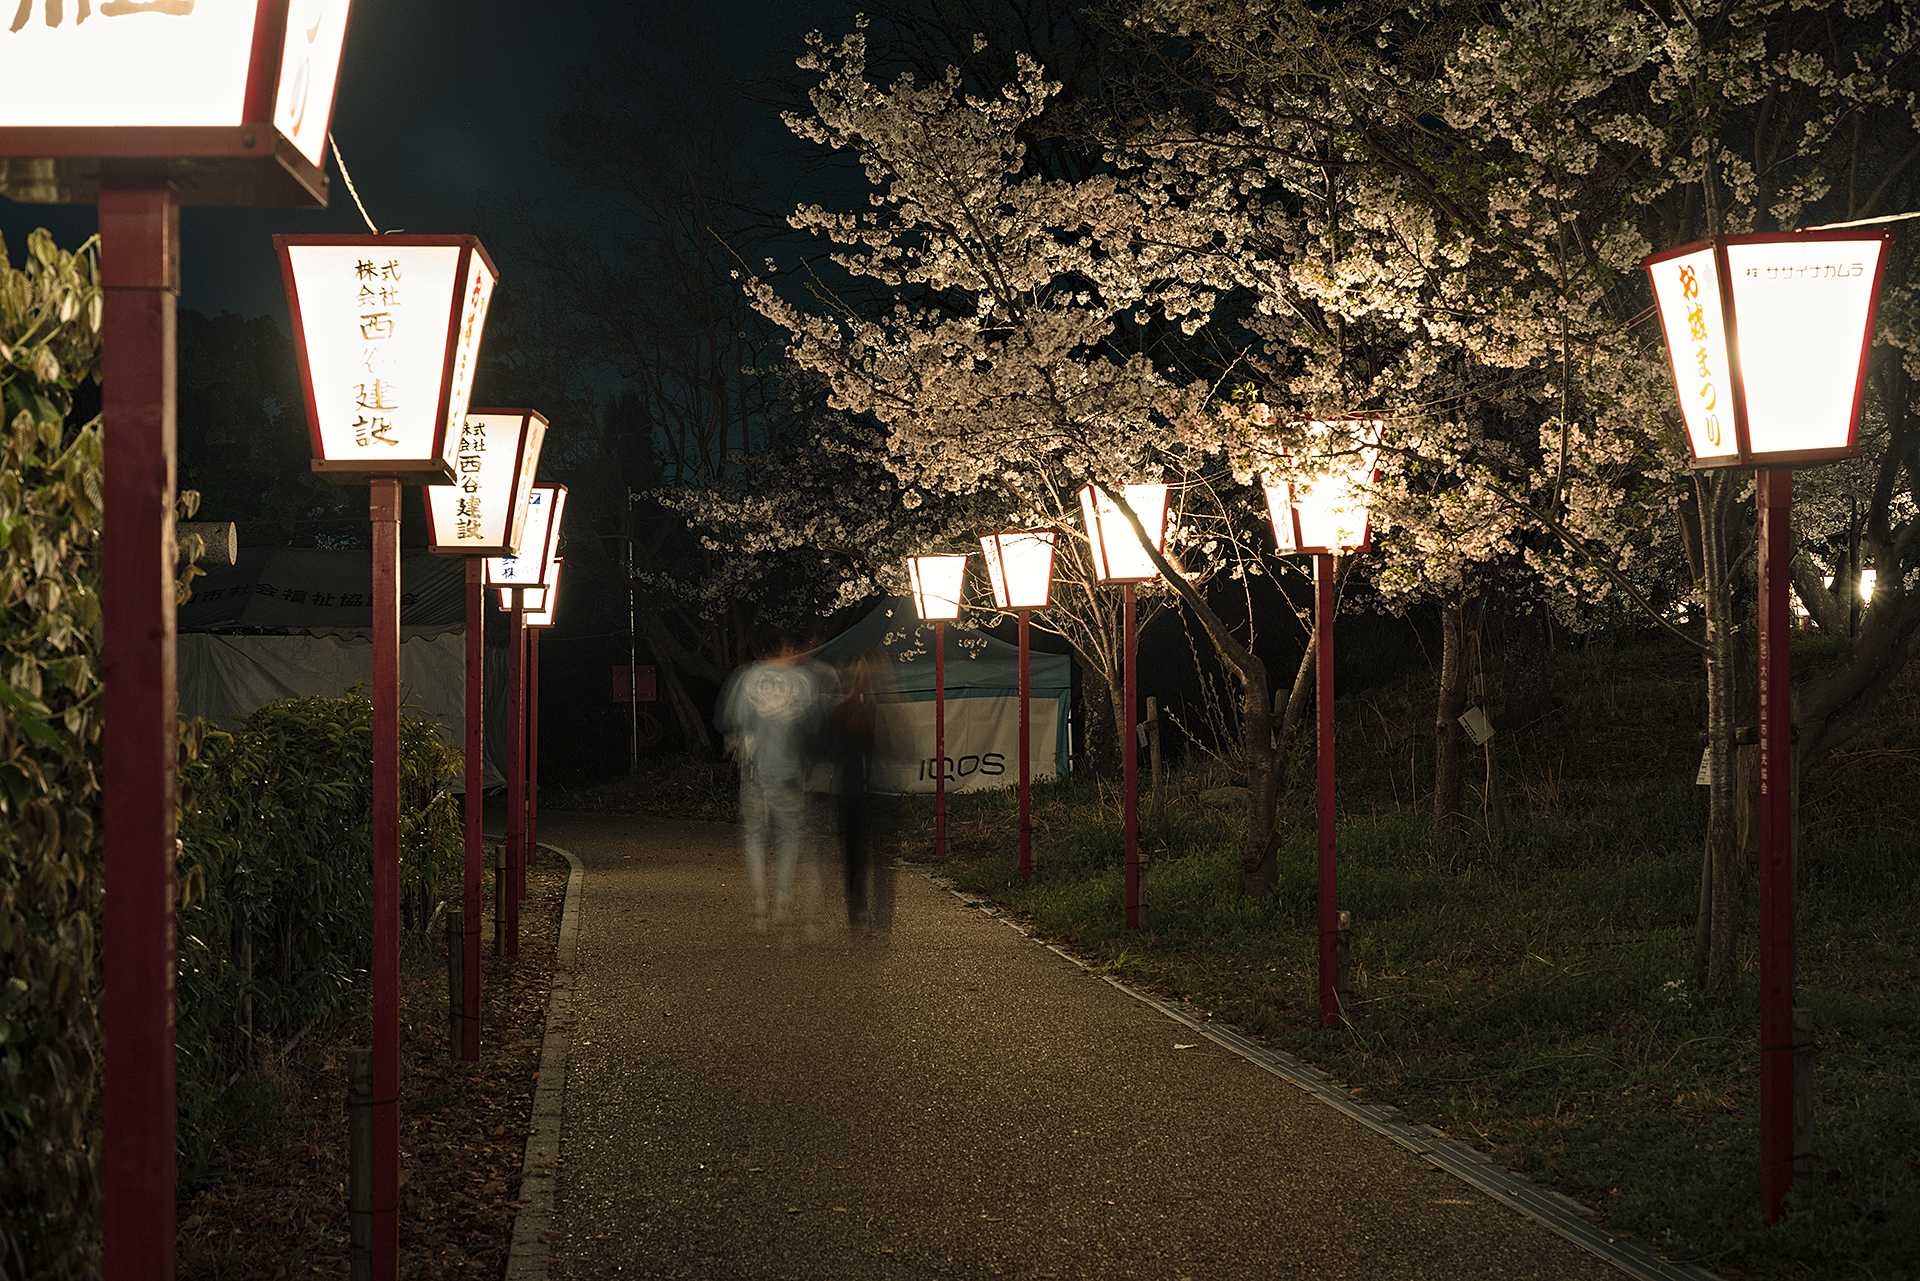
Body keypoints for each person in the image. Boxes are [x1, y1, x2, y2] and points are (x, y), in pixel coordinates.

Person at [715, 633, 832, 931]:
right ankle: (782, 903)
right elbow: (816, 729)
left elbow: (728, 722)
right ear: (787, 648)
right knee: (788, 836)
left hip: (754, 771)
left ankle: (759, 907)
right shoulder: (805, 681)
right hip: (790, 772)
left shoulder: (745, 678)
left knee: (754, 836)